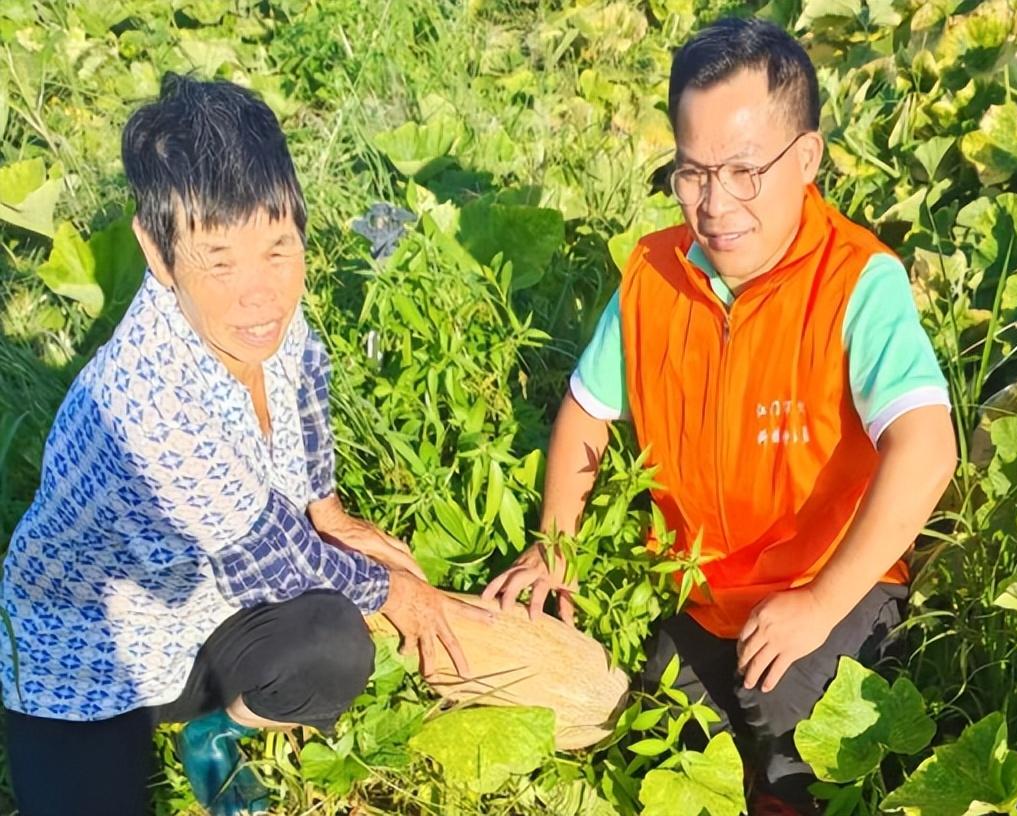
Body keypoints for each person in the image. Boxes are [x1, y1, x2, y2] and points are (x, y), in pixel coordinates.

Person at [484, 17, 957, 816]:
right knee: (674, 722)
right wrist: (551, 547)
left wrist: (819, 602)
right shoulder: (654, 275)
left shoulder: (856, 282)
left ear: (805, 159)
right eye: (693, 173)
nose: (715, 203)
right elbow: (585, 411)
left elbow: (928, 447)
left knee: (785, 710)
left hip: (836, 582)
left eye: (744, 171)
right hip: (704, 589)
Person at [0, 74, 484, 816]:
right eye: (218, 261)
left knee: (332, 642)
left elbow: (308, 382)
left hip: (201, 612)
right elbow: (274, 559)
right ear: (157, 254)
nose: (259, 294)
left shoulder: (266, 315)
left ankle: (212, 734)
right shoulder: (146, 400)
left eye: (278, 249)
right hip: (86, 662)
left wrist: (326, 507)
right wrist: (401, 594)